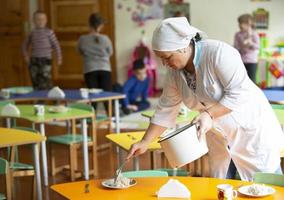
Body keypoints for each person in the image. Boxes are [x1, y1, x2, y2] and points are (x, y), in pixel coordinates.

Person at [126, 17, 284, 181]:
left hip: (250, 131)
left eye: (167, 57)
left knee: (266, 187)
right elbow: (165, 111)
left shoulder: (218, 53)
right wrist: (145, 141)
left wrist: (209, 114)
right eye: (160, 58)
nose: (164, 63)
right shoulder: (174, 74)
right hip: (219, 137)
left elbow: (239, 92)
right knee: (223, 186)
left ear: (183, 47)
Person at [78, 13, 113, 111]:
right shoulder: (105, 39)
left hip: (90, 69)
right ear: (101, 26)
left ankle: (91, 117)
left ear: (89, 25)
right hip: (105, 68)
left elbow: (79, 51)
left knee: (92, 96)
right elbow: (110, 53)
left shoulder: (82, 39)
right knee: (107, 95)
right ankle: (111, 117)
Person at [22, 10, 62, 90]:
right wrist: (26, 56)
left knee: (45, 79)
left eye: (43, 19)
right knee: (35, 79)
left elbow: (56, 45)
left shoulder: (49, 32)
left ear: (46, 21)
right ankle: (39, 98)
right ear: (33, 21)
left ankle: (54, 95)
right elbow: (24, 45)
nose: (40, 21)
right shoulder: (32, 33)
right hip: (34, 60)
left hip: (46, 59)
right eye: (38, 19)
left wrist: (59, 57)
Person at [234, 14, 260, 83]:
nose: (240, 25)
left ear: (248, 24)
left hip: (252, 61)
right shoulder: (238, 34)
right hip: (241, 61)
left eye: (242, 23)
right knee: (240, 80)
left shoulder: (254, 34)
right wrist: (243, 46)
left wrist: (250, 43)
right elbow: (236, 47)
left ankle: (252, 93)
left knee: (252, 80)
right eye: (239, 23)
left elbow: (257, 47)